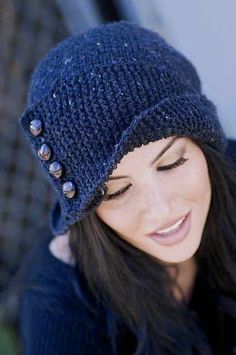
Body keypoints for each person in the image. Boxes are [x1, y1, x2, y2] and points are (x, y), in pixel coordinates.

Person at [19, 21, 236, 355]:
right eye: (116, 192)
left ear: (204, 145)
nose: (162, 209)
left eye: (172, 163)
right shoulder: (61, 310)